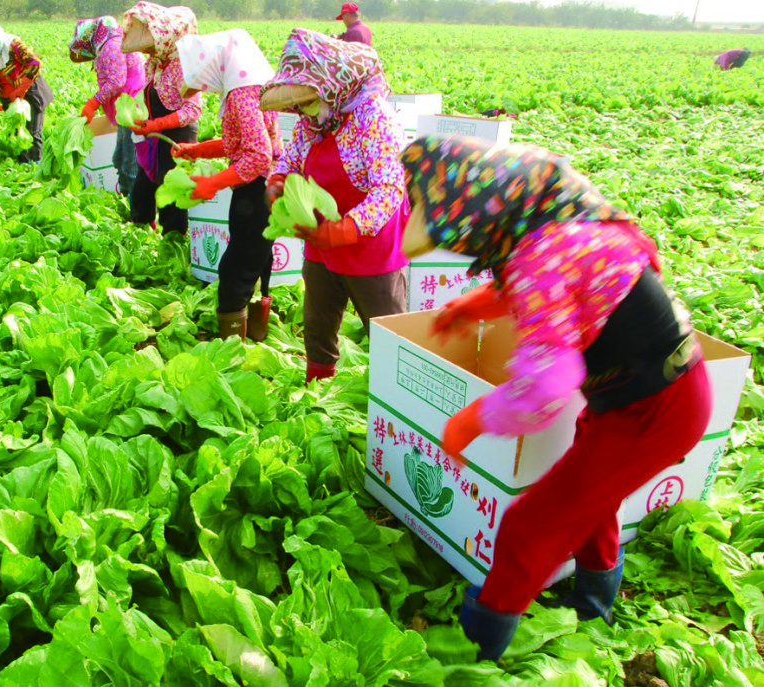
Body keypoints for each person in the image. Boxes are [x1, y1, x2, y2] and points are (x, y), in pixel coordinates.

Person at [399, 134, 712, 663]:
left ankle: (475, 648)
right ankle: (593, 605)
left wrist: (474, 420)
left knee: (530, 525)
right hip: (642, 391)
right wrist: (473, 308)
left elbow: (548, 381)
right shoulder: (559, 225)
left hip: (656, 406)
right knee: (591, 498)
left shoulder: (542, 253)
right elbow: (558, 288)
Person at [260, 29, 409, 383]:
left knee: (388, 332)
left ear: (334, 89)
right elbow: (291, 160)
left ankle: (392, 401)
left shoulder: (375, 119)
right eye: (300, 105)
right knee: (318, 322)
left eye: (309, 102)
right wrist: (277, 180)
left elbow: (389, 188)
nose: (303, 112)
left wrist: (345, 229)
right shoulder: (312, 122)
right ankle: (318, 389)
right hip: (321, 243)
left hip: (371, 246)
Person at [173, 29, 282, 342]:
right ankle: (254, 334)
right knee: (258, 262)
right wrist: (199, 149)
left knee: (237, 267)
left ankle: (232, 344)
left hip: (256, 189)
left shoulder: (240, 93)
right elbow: (242, 142)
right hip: (268, 187)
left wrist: (213, 183)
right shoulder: (254, 85)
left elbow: (258, 156)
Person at [120, 2, 203, 235]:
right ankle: (140, 238)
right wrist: (139, 118)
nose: (147, 51)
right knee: (142, 191)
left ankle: (173, 244)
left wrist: (158, 124)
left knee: (171, 198)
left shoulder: (182, 66)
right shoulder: (154, 64)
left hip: (177, 137)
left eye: (151, 46)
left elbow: (193, 110)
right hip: (155, 136)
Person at [69, 17, 146, 196]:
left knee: (130, 163)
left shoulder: (112, 46)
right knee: (119, 159)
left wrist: (93, 102)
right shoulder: (107, 45)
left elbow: (116, 82)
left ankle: (136, 209)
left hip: (132, 108)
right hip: (124, 110)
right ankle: (126, 196)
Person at [0, 25, 53, 165]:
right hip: (8, 98)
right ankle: (23, 164)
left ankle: (37, 164)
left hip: (30, 92)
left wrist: (22, 89)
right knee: (17, 133)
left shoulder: (13, 45)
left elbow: (34, 62)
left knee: (33, 132)